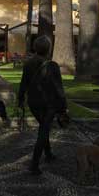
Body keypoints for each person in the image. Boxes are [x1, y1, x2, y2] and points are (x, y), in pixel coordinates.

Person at [18, 35, 68, 175]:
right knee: (43, 130)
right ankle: (34, 163)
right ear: (48, 49)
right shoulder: (52, 66)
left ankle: (48, 153)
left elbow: (23, 84)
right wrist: (63, 107)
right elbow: (59, 88)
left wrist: (20, 100)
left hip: (33, 103)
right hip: (48, 104)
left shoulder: (28, 64)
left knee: (43, 127)